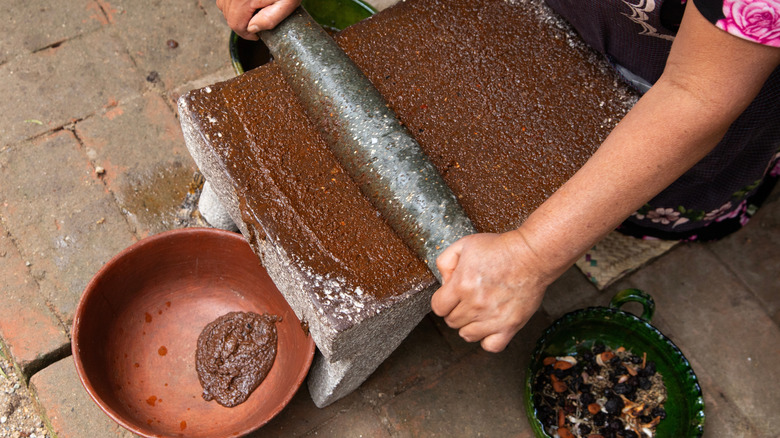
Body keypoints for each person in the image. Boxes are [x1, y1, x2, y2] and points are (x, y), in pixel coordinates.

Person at [217, 0, 780, 352]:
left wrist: (534, 253)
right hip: (555, 16)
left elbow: (698, 96)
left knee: (642, 191)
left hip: (675, 79)